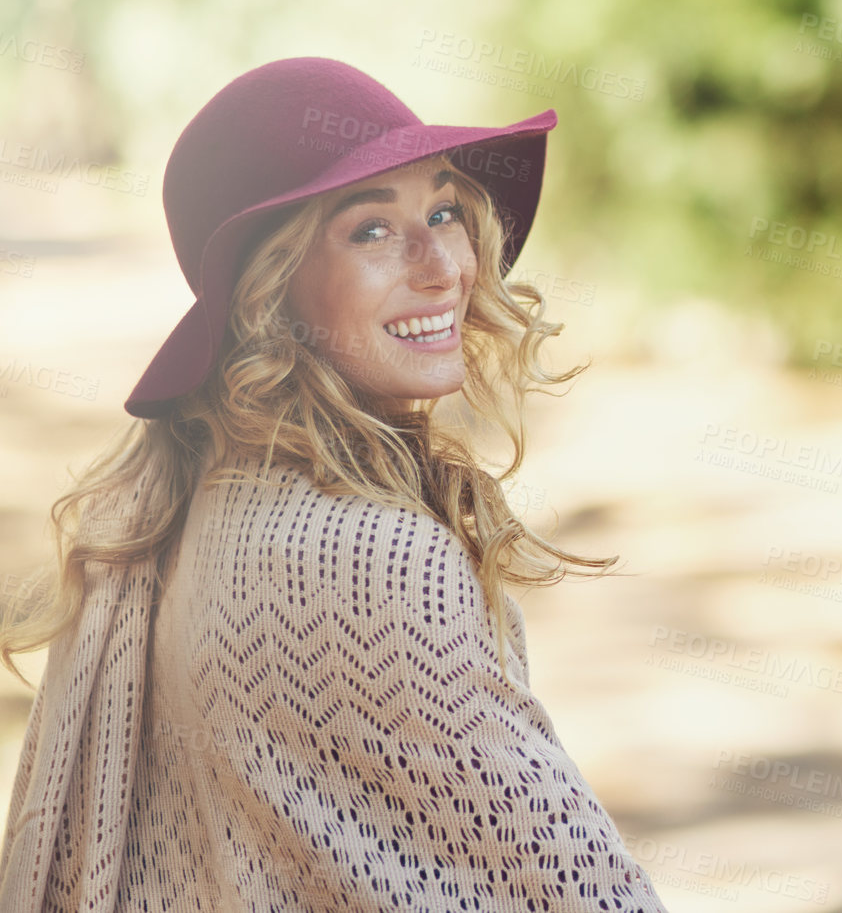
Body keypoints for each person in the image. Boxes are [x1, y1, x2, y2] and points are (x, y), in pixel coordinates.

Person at [0, 57, 668, 911]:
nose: (442, 267)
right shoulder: (374, 557)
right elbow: (591, 895)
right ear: (270, 293)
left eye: (444, 211)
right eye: (371, 231)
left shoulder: (195, 495)